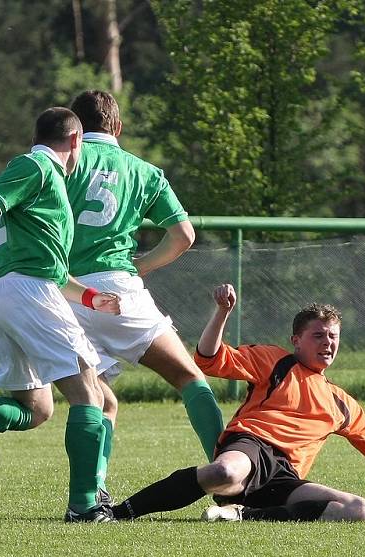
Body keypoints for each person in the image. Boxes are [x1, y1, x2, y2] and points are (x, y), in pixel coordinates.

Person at [109, 283, 365, 523]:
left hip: (284, 475)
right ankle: (119, 512)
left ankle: (243, 514)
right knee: (224, 471)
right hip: (251, 447)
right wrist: (222, 312)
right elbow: (209, 358)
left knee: (357, 509)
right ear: (296, 341)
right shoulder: (276, 361)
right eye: (318, 335)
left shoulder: (342, 404)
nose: (327, 343)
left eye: (333, 337)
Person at [0, 107, 122, 523]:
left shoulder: (46, 185)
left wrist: (92, 298)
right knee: (92, 394)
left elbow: (54, 271)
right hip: (24, 292)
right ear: (75, 141)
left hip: (9, 294)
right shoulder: (36, 166)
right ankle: (86, 505)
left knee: (37, 409)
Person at [64, 90, 224, 500]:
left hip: (65, 292)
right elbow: (183, 236)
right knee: (189, 378)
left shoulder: (60, 163)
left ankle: (92, 492)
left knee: (98, 401)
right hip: (119, 291)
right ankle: (232, 479)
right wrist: (144, 265)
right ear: (118, 127)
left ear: (76, 130)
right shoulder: (144, 171)